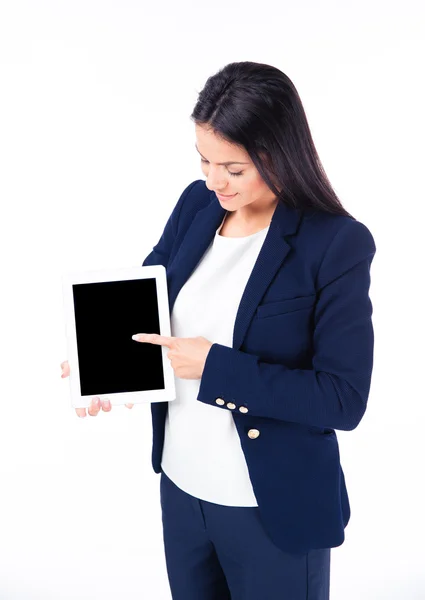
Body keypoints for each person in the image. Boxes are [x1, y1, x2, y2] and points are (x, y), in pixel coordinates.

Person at [61, 61, 376, 599]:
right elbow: (147, 303)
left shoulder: (336, 244)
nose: (214, 181)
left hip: (270, 507)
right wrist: (101, 362)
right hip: (183, 491)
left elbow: (342, 399)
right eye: (204, 160)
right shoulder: (196, 205)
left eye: (233, 168)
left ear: (278, 154)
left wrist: (216, 368)